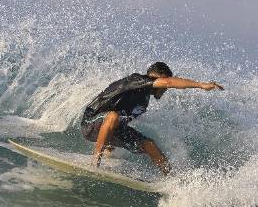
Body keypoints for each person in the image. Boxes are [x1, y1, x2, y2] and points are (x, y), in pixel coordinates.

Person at [81, 62, 223, 175]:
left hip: (110, 128)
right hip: (90, 122)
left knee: (150, 145)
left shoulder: (143, 101)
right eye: (165, 81)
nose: (167, 87)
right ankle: (95, 163)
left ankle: (171, 180)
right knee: (112, 116)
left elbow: (122, 120)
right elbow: (168, 83)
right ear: (158, 77)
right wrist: (201, 85)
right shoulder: (136, 80)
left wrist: (110, 144)